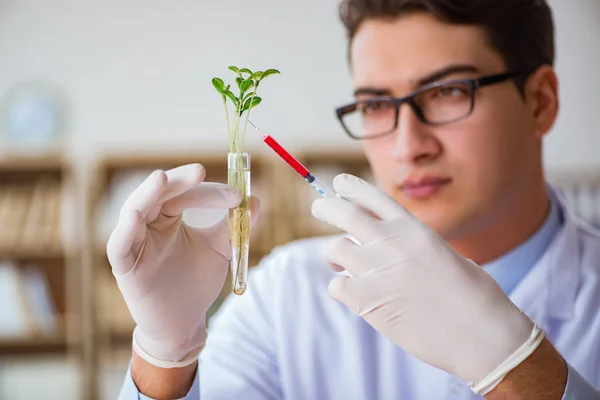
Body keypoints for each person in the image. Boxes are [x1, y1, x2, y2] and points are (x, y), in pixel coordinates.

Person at [111, 0, 600, 399]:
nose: (409, 145)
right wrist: (165, 358)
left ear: (540, 101)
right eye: (374, 105)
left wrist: (516, 366)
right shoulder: (289, 296)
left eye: (448, 92)